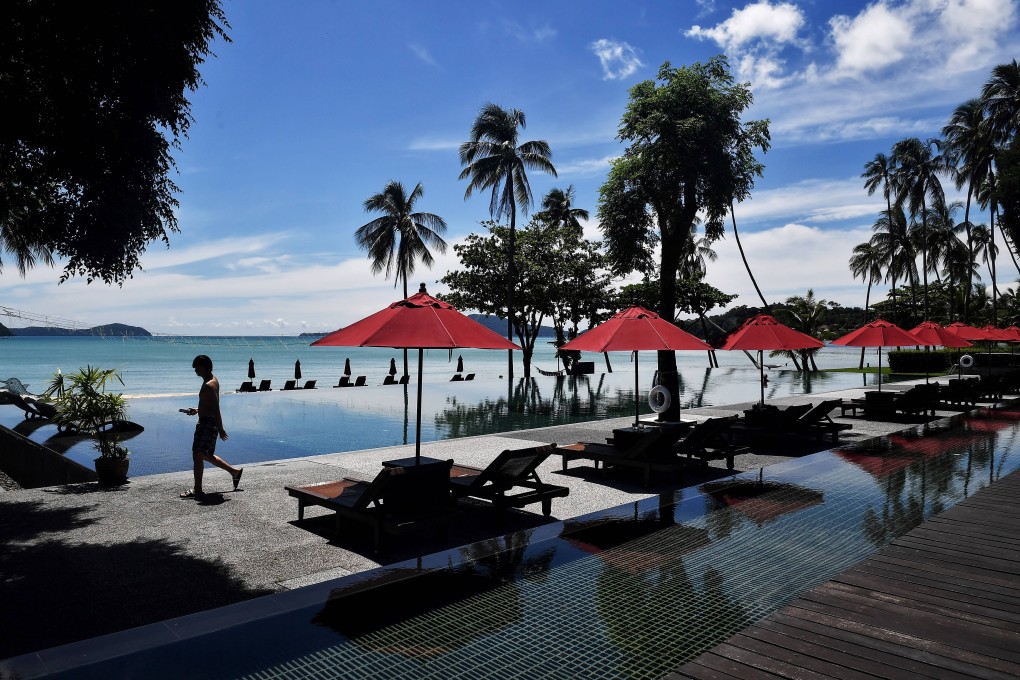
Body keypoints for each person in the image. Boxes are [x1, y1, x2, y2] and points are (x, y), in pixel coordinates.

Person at [180, 354, 243, 498]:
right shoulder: (211, 380)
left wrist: (220, 429)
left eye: (196, 367)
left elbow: (216, 408)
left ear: (202, 367)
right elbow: (208, 405)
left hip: (207, 424)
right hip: (207, 422)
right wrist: (197, 410)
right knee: (202, 454)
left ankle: (198, 490)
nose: (195, 370)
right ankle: (234, 472)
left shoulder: (209, 385)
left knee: (198, 454)